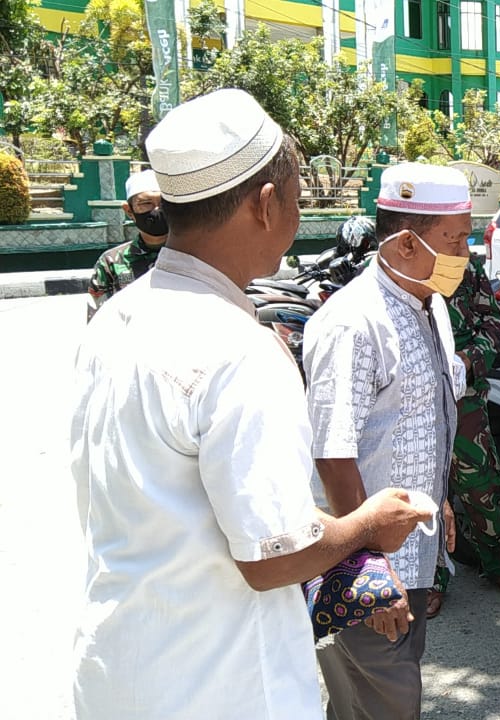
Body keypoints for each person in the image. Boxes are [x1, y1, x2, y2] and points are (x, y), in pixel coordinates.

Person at [68, 88, 431, 720]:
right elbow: (274, 558)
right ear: (267, 204)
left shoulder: (118, 316)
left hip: (116, 669)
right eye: (297, 198)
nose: (297, 215)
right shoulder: (239, 347)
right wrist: (367, 525)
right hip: (219, 685)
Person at [303, 162, 472, 720]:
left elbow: (422, 418)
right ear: (405, 244)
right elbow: (333, 454)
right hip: (365, 557)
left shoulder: (432, 304)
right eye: (456, 239)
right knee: (388, 699)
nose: (465, 253)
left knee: (377, 693)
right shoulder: (353, 322)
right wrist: (364, 569)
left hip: (412, 548)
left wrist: (438, 498)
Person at [435, 252, 500, 616]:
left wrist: (467, 360)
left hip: (465, 396)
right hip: (413, 399)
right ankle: (430, 581)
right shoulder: (391, 266)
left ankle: (499, 567)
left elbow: (493, 323)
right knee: (422, 490)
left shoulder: (465, 264)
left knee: (480, 485)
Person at [86, 169, 168, 320]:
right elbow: (98, 322)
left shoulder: (193, 253)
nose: (156, 210)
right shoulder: (110, 262)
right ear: (129, 211)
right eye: (146, 203)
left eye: (163, 203)